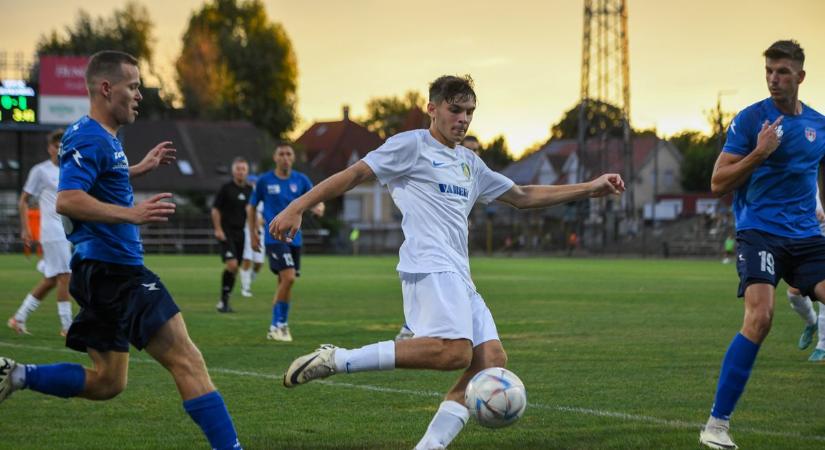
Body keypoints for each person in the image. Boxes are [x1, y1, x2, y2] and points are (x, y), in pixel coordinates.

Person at [271, 75, 624, 449]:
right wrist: (297, 207)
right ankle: (336, 359)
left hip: (458, 273)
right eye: (455, 110)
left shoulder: (470, 163)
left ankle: (429, 447)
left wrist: (590, 188)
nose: (463, 119)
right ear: (433, 109)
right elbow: (353, 174)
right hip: (428, 266)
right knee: (454, 352)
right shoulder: (411, 146)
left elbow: (521, 194)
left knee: (491, 359)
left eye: (470, 111)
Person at [0, 51, 242, 450]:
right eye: (133, 86)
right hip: (117, 273)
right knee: (188, 360)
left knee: (108, 381)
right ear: (106, 88)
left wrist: (135, 170)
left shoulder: (102, 138)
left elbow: (97, 176)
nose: (139, 96)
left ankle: (18, 375)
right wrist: (130, 213)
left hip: (97, 273)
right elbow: (68, 199)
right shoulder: (89, 135)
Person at [699, 40, 825, 450]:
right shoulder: (751, 119)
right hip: (760, 232)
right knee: (760, 317)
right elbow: (718, 182)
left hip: (807, 236)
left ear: (800, 77)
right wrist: (759, 153)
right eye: (769, 70)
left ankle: (810, 319)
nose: (774, 78)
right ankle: (716, 426)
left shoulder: (819, 126)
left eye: (783, 71)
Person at [395, 134, 483, 342]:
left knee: (461, 287)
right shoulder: (442, 166)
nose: (473, 152)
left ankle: (415, 328)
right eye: (469, 147)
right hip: (432, 247)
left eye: (477, 149)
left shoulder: (473, 173)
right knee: (450, 287)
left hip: (456, 246)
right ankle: (410, 328)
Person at [248, 143, 324, 342]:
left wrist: (319, 207)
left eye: (288, 154)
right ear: (275, 157)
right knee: (289, 278)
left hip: (294, 238)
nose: (285, 157)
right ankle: (277, 325)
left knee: (285, 282)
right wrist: (253, 234)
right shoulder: (265, 181)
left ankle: (279, 325)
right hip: (274, 237)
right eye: (281, 153)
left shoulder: (301, 180)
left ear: (293, 158)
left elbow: (317, 197)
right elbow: (251, 207)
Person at [8, 129, 74, 337]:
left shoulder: (71, 169)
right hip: (52, 231)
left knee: (51, 279)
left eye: (63, 146)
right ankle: (67, 326)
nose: (59, 149)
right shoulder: (41, 171)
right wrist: (26, 228)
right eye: (56, 146)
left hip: (66, 232)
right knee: (65, 276)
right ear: (49, 148)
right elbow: (24, 200)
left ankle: (18, 318)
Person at [786, 186, 825, 361]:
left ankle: (822, 346)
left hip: (820, 235)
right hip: (805, 238)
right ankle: (811, 322)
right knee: (793, 294)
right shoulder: (803, 172)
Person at [211, 157, 252, 313]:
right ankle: (224, 300)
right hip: (226, 231)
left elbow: (252, 211)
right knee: (232, 264)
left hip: (241, 233)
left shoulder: (250, 190)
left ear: (247, 172)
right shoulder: (226, 188)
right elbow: (215, 210)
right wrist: (218, 229)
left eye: (243, 169)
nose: (240, 172)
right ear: (233, 171)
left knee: (235, 268)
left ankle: (224, 301)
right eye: (238, 169)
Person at [239, 199, 265, 298]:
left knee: (259, 263)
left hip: (260, 232)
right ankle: (245, 287)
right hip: (248, 231)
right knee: (247, 259)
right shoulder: (249, 197)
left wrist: (261, 222)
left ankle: (247, 280)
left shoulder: (264, 199)